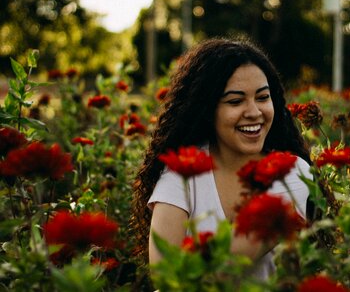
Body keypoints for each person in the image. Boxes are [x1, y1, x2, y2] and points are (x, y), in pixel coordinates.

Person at [131, 37, 313, 280]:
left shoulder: (292, 172)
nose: (254, 112)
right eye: (235, 101)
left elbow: (232, 260)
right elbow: (164, 274)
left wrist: (186, 272)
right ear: (207, 109)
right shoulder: (183, 171)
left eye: (262, 97)